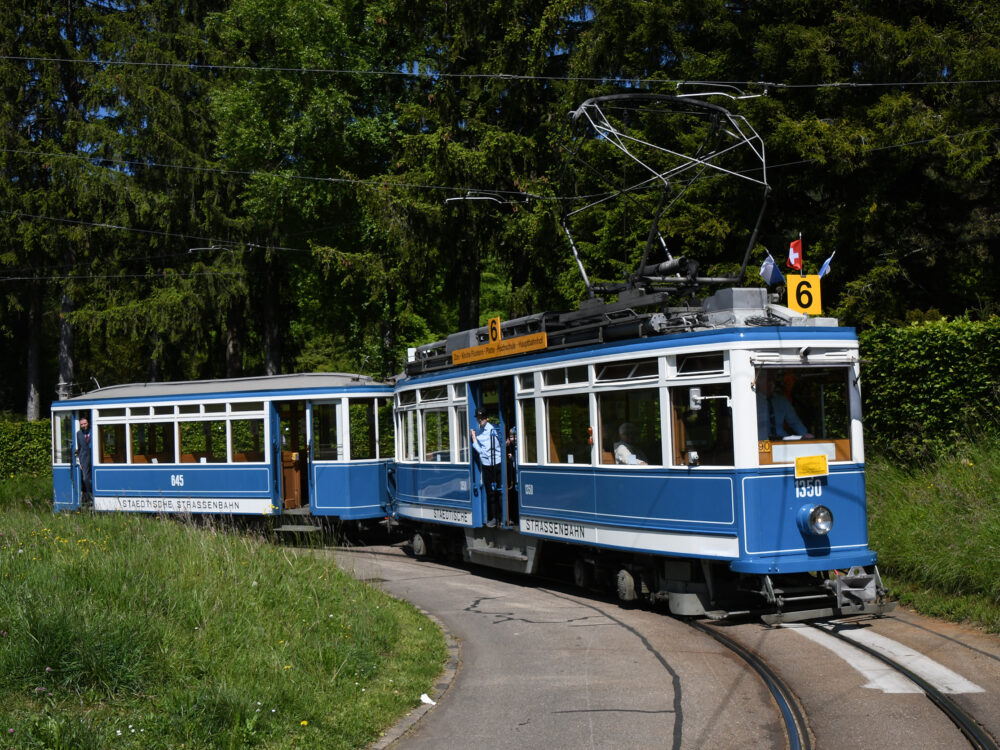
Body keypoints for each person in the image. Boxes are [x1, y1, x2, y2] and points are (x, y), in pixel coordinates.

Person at [756, 371, 814, 440]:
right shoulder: (752, 401)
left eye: (773, 380)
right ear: (759, 381)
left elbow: (794, 421)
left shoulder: (782, 401)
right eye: (768, 380)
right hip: (759, 443)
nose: (772, 383)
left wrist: (805, 434)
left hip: (782, 441)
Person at [470, 407, 502, 527]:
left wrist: (474, 440)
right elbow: (482, 451)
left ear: (487, 418)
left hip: (496, 463)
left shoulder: (492, 430)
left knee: (499, 490)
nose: (480, 420)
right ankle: (494, 518)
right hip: (486, 464)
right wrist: (475, 438)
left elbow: (486, 451)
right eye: (478, 418)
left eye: (482, 418)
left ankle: (501, 517)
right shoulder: (479, 431)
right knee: (490, 492)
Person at [76, 416, 94, 508]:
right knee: (85, 478)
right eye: (82, 424)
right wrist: (79, 462)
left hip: (94, 457)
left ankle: (91, 496)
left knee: (93, 477)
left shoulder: (94, 430)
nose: (83, 426)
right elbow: (79, 448)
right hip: (83, 459)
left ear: (88, 423)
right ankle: (89, 496)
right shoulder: (78, 434)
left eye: (85, 423)